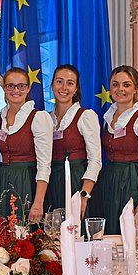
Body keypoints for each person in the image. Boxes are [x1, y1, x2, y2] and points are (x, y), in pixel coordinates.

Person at [91, 66, 138, 234]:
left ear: (135, 88)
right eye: (115, 84)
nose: (120, 89)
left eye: (126, 85)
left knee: (128, 235)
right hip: (109, 182)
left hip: (132, 182)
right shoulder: (108, 116)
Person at [0, 67, 53, 222]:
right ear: (4, 88)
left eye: (21, 86)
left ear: (28, 88)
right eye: (10, 86)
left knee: (26, 234)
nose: (16, 90)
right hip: (3, 181)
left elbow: (44, 163)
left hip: (27, 182)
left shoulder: (38, 117)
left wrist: (38, 202)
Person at [47, 64, 102, 217]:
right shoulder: (45, 119)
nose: (64, 87)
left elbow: (95, 161)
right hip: (51, 184)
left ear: (76, 88)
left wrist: (84, 195)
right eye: (59, 81)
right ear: (52, 85)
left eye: (70, 83)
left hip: (77, 182)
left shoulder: (86, 116)